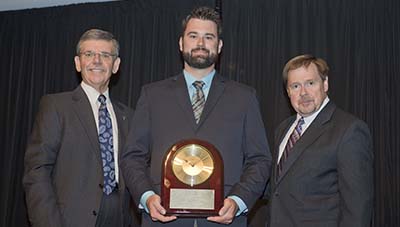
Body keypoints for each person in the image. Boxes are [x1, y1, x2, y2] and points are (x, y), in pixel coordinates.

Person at [120, 6, 271, 227]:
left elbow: (260, 160)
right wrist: (146, 197)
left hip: (224, 222)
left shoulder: (244, 97)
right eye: (193, 36)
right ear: (181, 43)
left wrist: (238, 201)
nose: (200, 43)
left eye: (208, 37)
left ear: (219, 46)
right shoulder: (152, 95)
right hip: (164, 220)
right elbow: (132, 156)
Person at [23, 29, 138, 227]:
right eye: (89, 54)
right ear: (78, 63)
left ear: (116, 65)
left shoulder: (129, 116)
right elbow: (37, 172)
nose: (96, 60)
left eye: (105, 55)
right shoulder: (56, 106)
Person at [266, 54, 374, 227]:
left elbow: (357, 208)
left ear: (325, 84)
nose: (303, 93)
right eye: (295, 86)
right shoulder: (283, 129)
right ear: (288, 92)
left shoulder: (349, 130)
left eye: (310, 83)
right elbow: (277, 189)